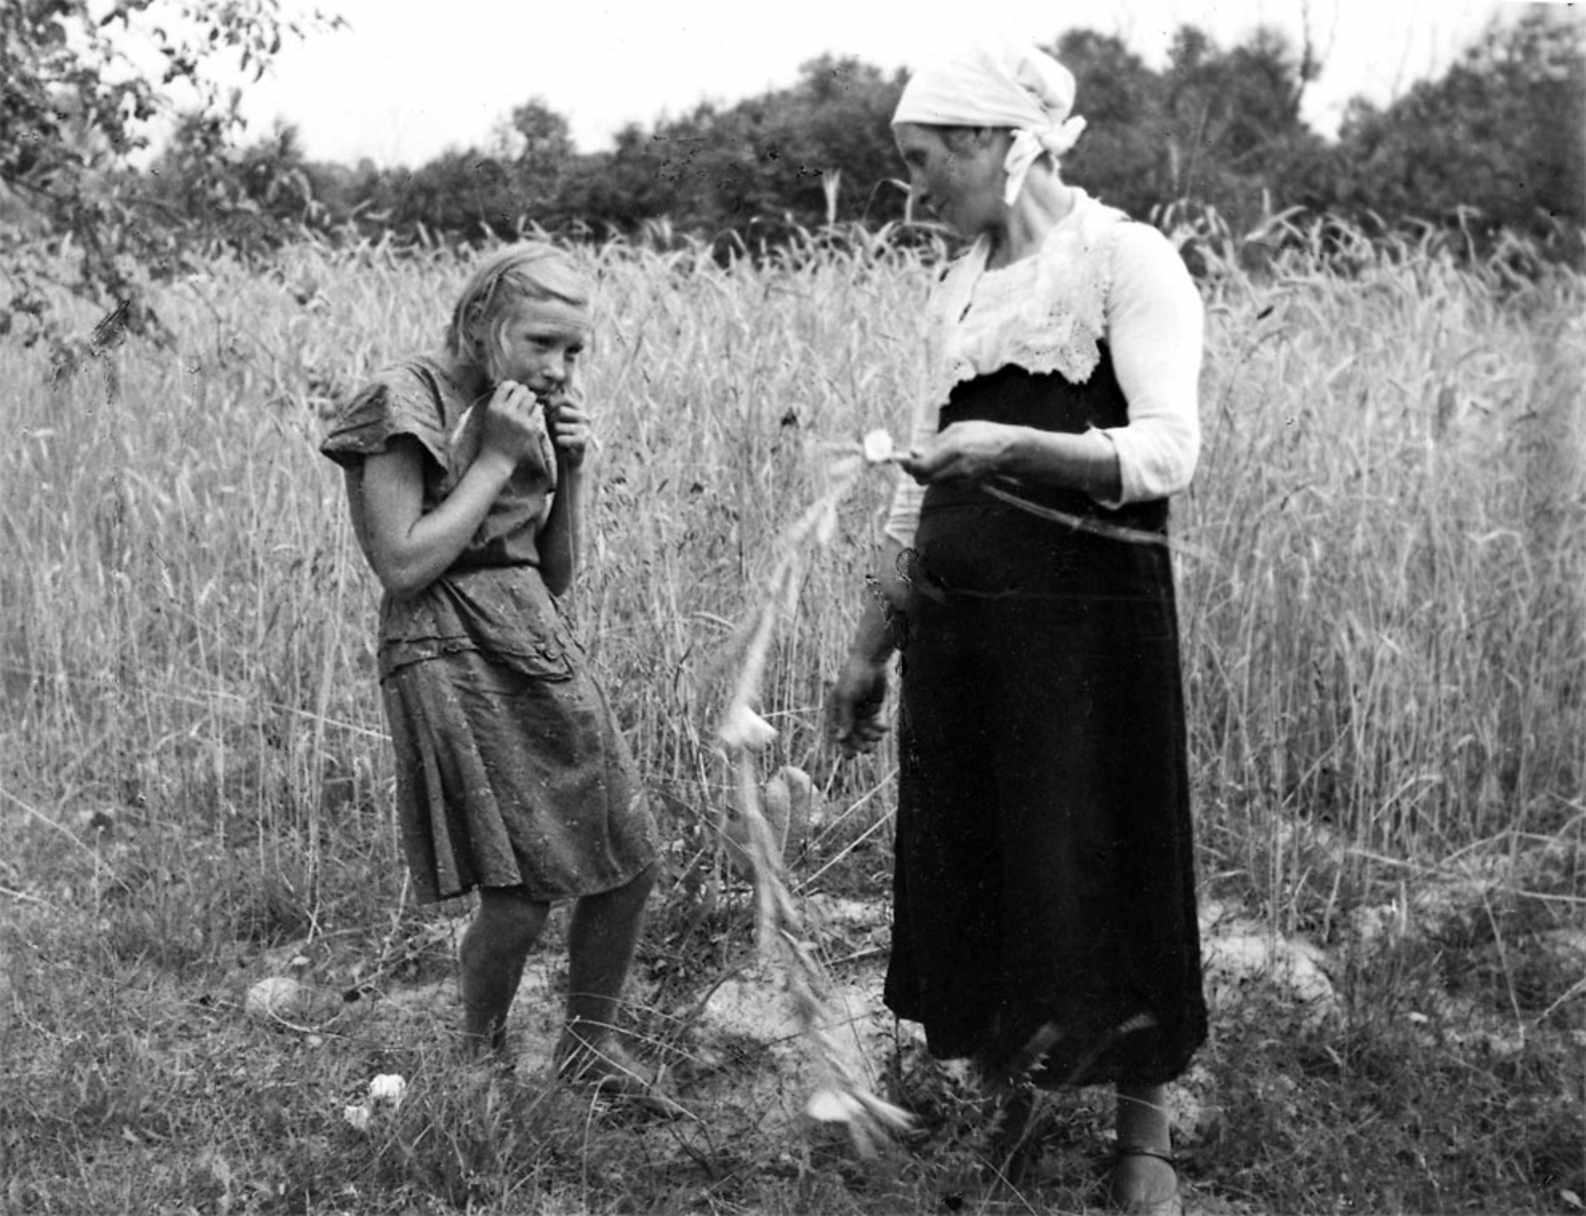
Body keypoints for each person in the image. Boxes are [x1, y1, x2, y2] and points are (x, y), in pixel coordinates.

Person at [826, 42, 1207, 1216]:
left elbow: (1164, 451)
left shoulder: (1121, 259)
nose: (916, 186)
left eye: (927, 158)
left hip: (1087, 634)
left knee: (1101, 841)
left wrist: (1014, 448)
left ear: (1001, 141)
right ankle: (1017, 1097)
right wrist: (864, 647)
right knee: (988, 851)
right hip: (963, 633)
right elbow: (914, 483)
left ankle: (1140, 1137)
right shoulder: (956, 286)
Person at [321, 243, 660, 1096]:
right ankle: (481, 1060)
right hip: (444, 644)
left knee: (629, 850)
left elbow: (550, 573)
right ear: (480, 321)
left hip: (532, 632)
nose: (558, 368)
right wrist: (501, 457)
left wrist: (573, 471)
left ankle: (590, 1046)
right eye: (541, 342)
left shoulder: (520, 409)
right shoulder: (402, 401)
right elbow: (401, 563)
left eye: (574, 351)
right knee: (517, 890)